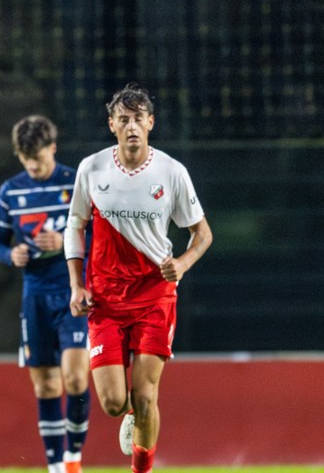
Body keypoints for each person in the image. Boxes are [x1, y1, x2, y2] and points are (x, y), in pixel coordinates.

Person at [64, 83, 212, 473]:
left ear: (151, 122)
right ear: (112, 124)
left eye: (138, 119)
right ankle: (131, 412)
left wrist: (181, 263)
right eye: (123, 119)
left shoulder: (171, 171)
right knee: (115, 403)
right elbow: (75, 225)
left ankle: (141, 468)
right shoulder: (92, 169)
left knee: (146, 395)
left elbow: (203, 233)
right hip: (105, 300)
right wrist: (76, 285)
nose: (132, 126)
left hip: (155, 296)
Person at [0, 115, 90, 473]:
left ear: (53, 148)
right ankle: (55, 467)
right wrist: (11, 255)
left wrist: (66, 242)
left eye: (40, 156)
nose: (33, 164)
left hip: (71, 289)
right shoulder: (10, 191)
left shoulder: (77, 181)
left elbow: (99, 236)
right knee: (46, 385)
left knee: (76, 378)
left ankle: (73, 456)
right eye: (25, 157)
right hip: (34, 294)